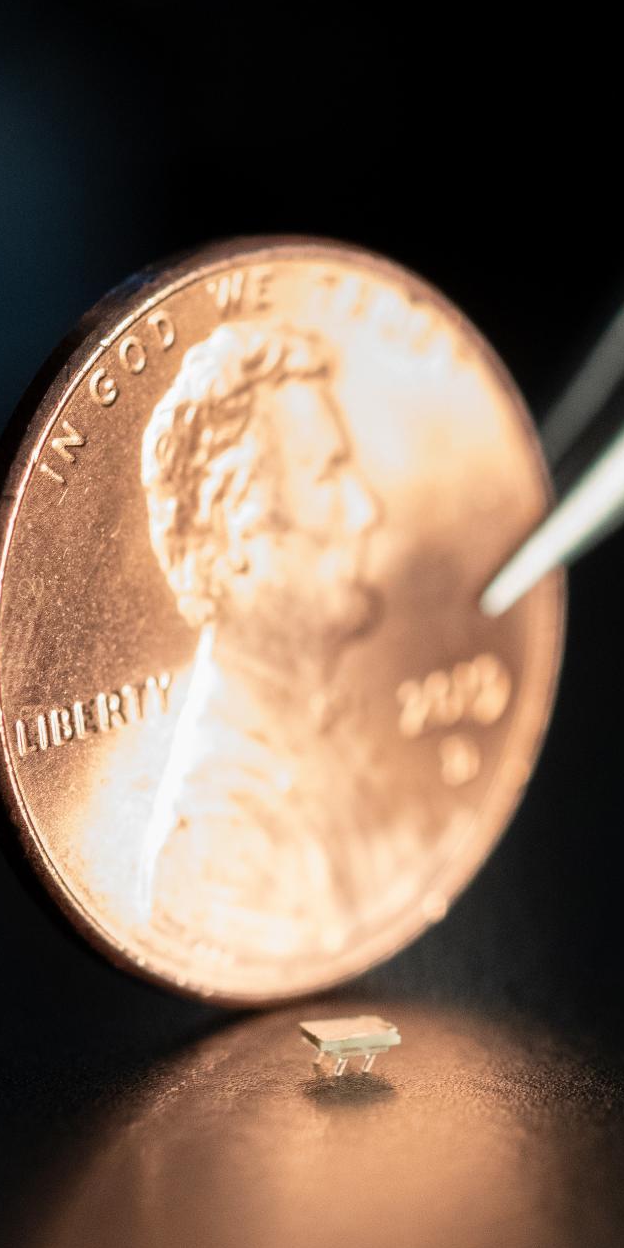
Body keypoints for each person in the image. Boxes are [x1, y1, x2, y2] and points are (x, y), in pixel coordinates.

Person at [136, 321, 405, 957]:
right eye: (328, 476)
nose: (367, 510)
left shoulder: (328, 751)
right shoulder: (214, 839)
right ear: (237, 534)